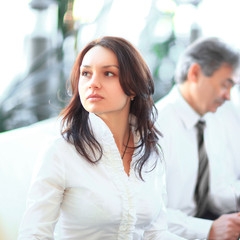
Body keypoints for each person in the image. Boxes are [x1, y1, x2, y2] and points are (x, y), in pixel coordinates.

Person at [18, 36, 185, 239]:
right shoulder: (60, 151)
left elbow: (155, 232)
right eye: (86, 73)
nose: (93, 83)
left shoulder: (151, 151)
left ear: (132, 86)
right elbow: (34, 234)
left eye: (108, 73)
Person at [155, 37, 240, 240]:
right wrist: (206, 230)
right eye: (225, 85)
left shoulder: (222, 115)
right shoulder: (155, 126)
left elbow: (218, 192)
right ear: (194, 73)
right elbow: (148, 213)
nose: (228, 95)